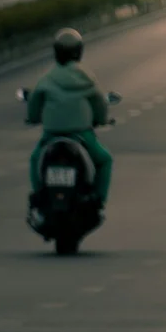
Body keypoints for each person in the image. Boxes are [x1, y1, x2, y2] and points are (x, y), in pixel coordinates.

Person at [25, 29, 113, 226]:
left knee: (35, 159)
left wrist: (32, 118)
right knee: (105, 160)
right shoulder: (87, 78)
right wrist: (101, 119)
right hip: (81, 136)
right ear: (79, 51)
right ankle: (98, 201)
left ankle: (40, 196)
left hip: (51, 136)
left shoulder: (47, 78)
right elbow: (100, 105)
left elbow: (33, 106)